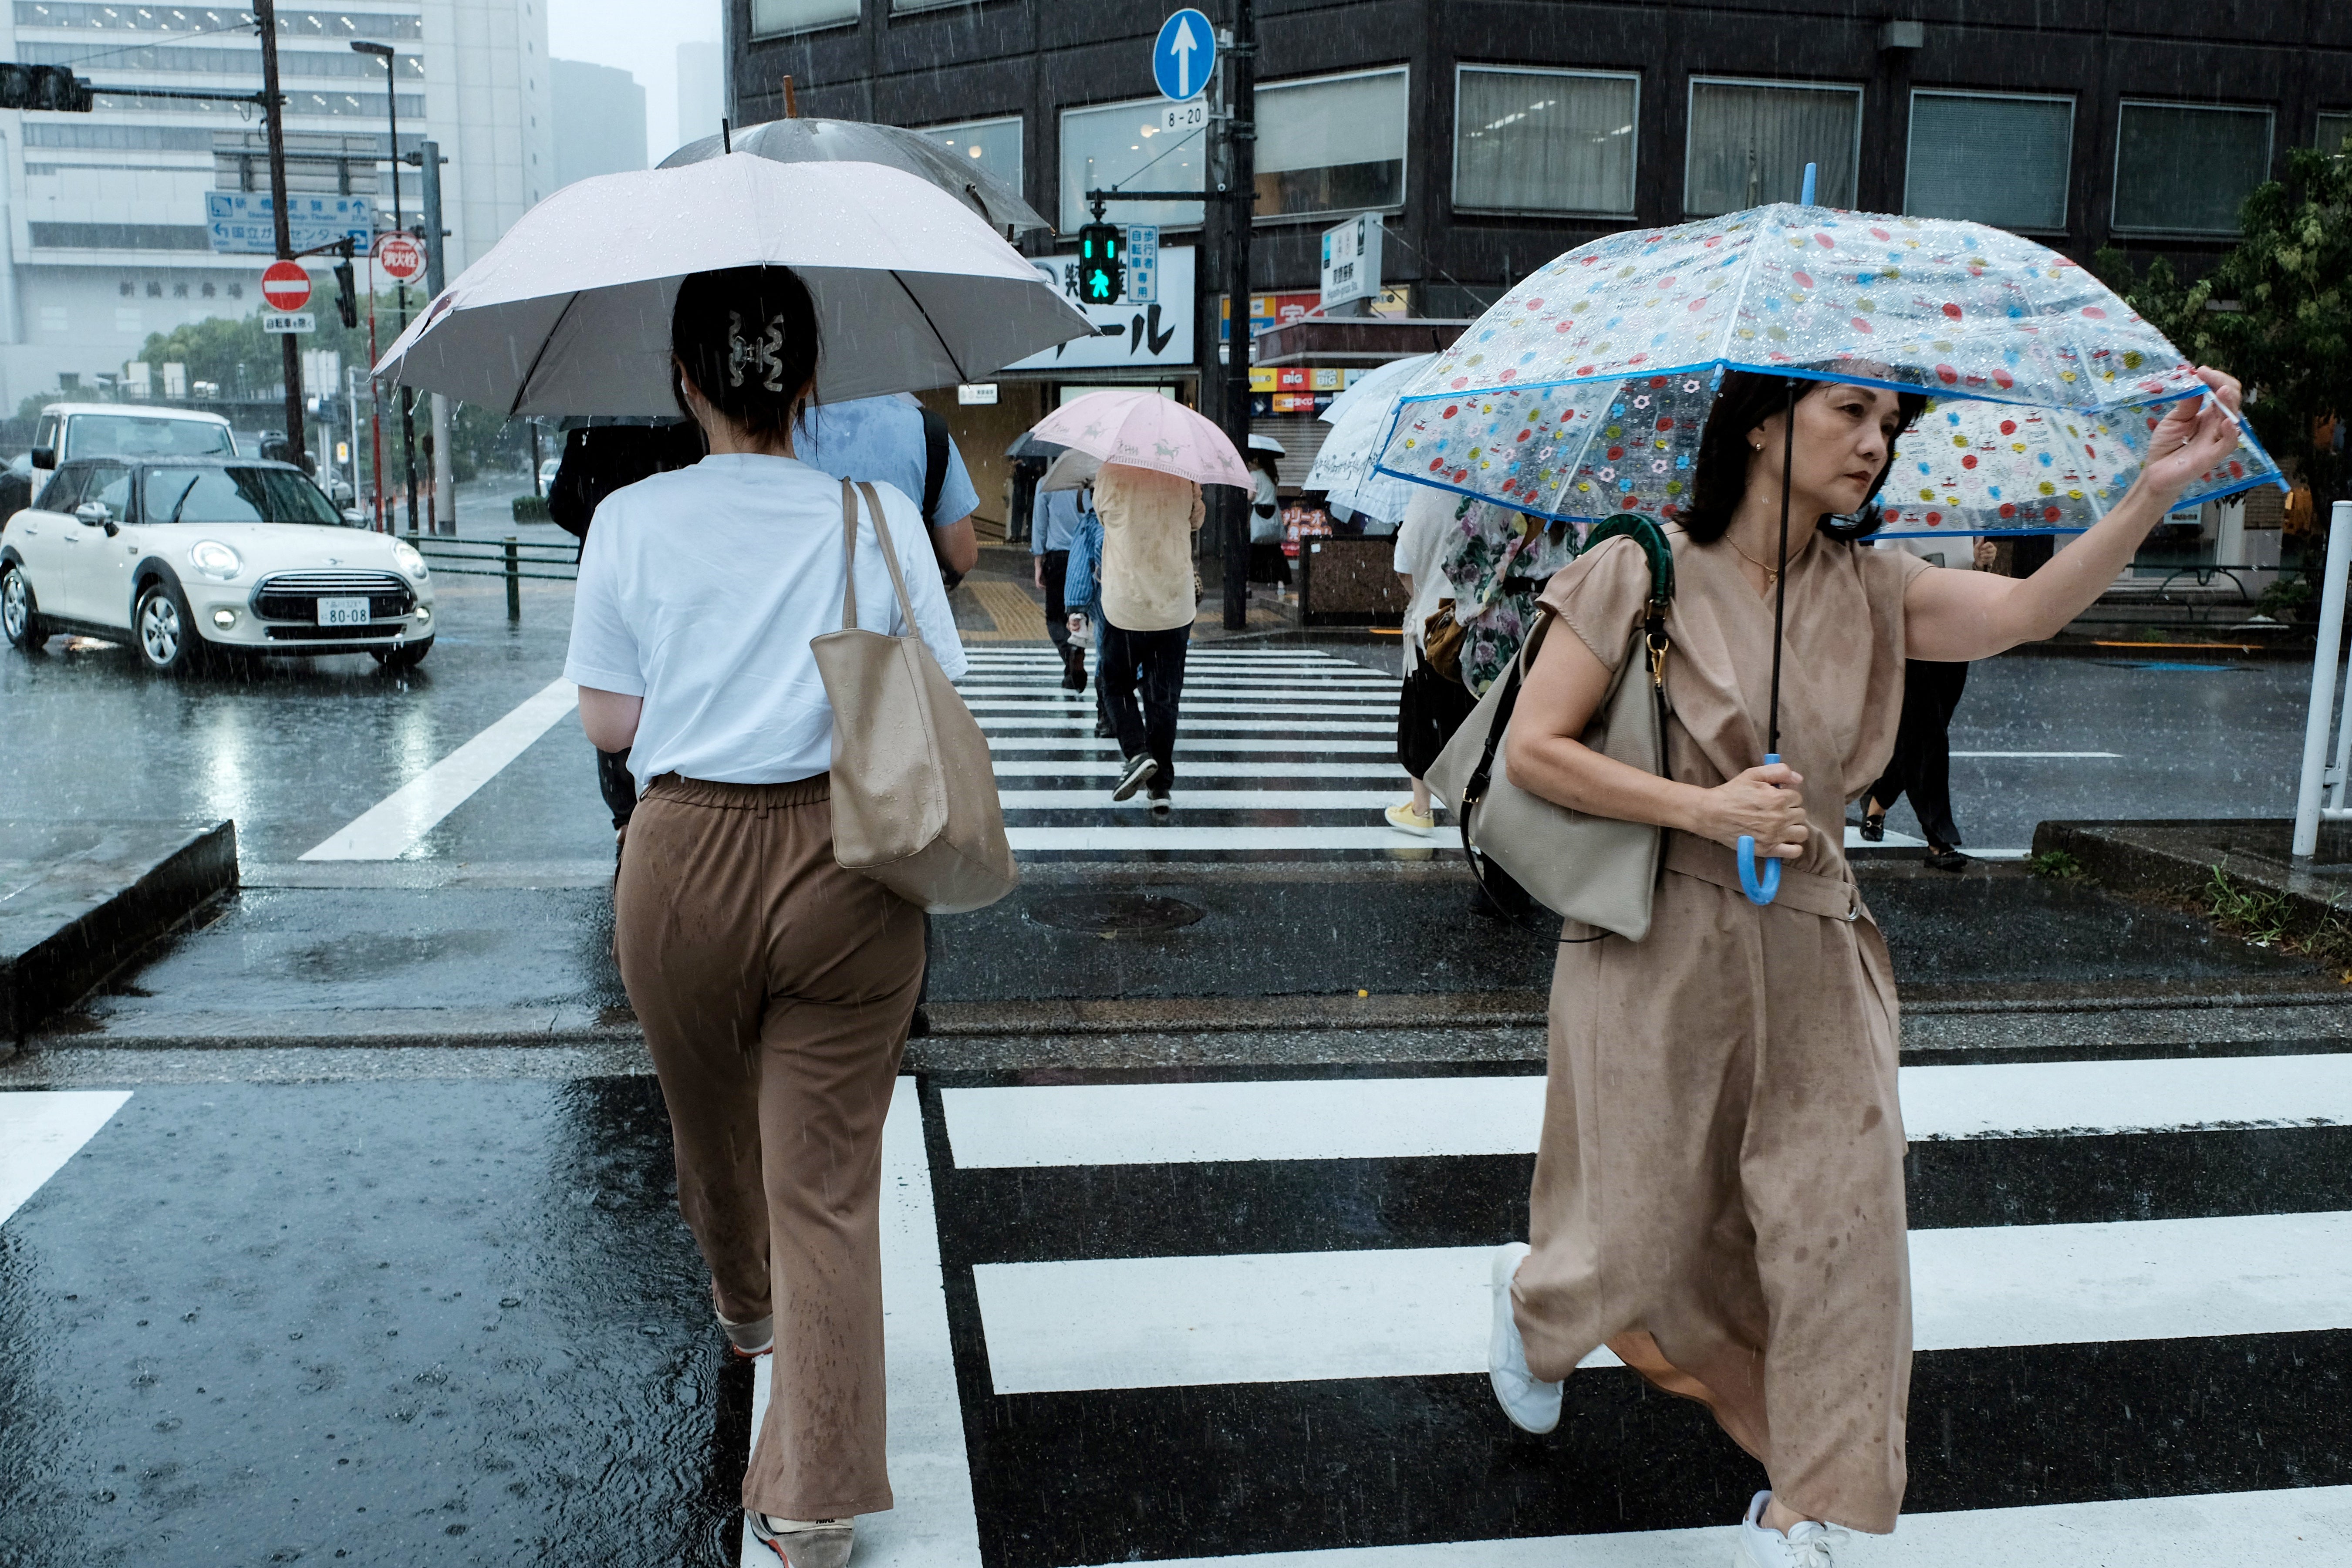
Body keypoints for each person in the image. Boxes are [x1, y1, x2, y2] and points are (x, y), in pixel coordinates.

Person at [1489, 364, 2245, 1566]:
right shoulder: (1640, 569)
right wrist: (1708, 810)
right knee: (1637, 1239)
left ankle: (1808, 1507)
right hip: (1657, 941)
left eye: (1888, 424)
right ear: (1757, 426)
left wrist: (2151, 491)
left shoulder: (1874, 587)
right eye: (1850, 414)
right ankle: (1540, 1309)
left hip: (1817, 944)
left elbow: (2028, 611)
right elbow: (1535, 751)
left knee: (1841, 1230)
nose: (1875, 444)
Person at [564, 263, 964, 1568]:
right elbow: (932, 688)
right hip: (849, 859)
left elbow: (611, 725)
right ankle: (817, 1497)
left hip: (678, 857)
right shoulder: (875, 512)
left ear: (684, 381)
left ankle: (746, 1309)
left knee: (711, 1134)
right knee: (830, 1183)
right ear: (805, 384)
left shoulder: (631, 517)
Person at [1860, 534, 1999, 869]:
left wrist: (1982, 563)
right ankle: (1939, 838)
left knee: (1921, 733)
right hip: (1911, 634)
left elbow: (1970, 577)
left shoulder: (1962, 512)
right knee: (1929, 734)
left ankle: (1878, 799)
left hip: (1956, 633)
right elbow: (1881, 577)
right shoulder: (1900, 515)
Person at [1091, 461, 1204, 812]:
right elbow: (1197, 520)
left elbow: (1103, 515)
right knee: (1162, 696)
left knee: (1115, 683)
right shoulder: (1183, 471)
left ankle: (1137, 752)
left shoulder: (1112, 470)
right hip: (1173, 603)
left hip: (1127, 601)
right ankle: (1160, 786)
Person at [795, 391, 981, 587]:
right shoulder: (926, 431)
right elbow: (962, 557)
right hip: (901, 607)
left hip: (806, 604)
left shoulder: (783, 429)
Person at [1385, 484, 1472, 837]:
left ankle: (1421, 809)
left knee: (1421, 720)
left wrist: (1424, 597)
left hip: (1433, 630)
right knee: (1474, 725)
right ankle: (1477, 813)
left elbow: (1403, 566)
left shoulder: (1427, 495)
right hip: (1487, 632)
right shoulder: (1496, 497)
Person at [1032, 480, 1090, 687]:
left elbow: (1040, 525)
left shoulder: (1048, 482)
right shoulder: (1089, 481)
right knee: (1078, 612)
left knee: (1055, 617)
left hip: (1058, 558)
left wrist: (1038, 561)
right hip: (1084, 554)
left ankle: (1069, 653)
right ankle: (1075, 657)